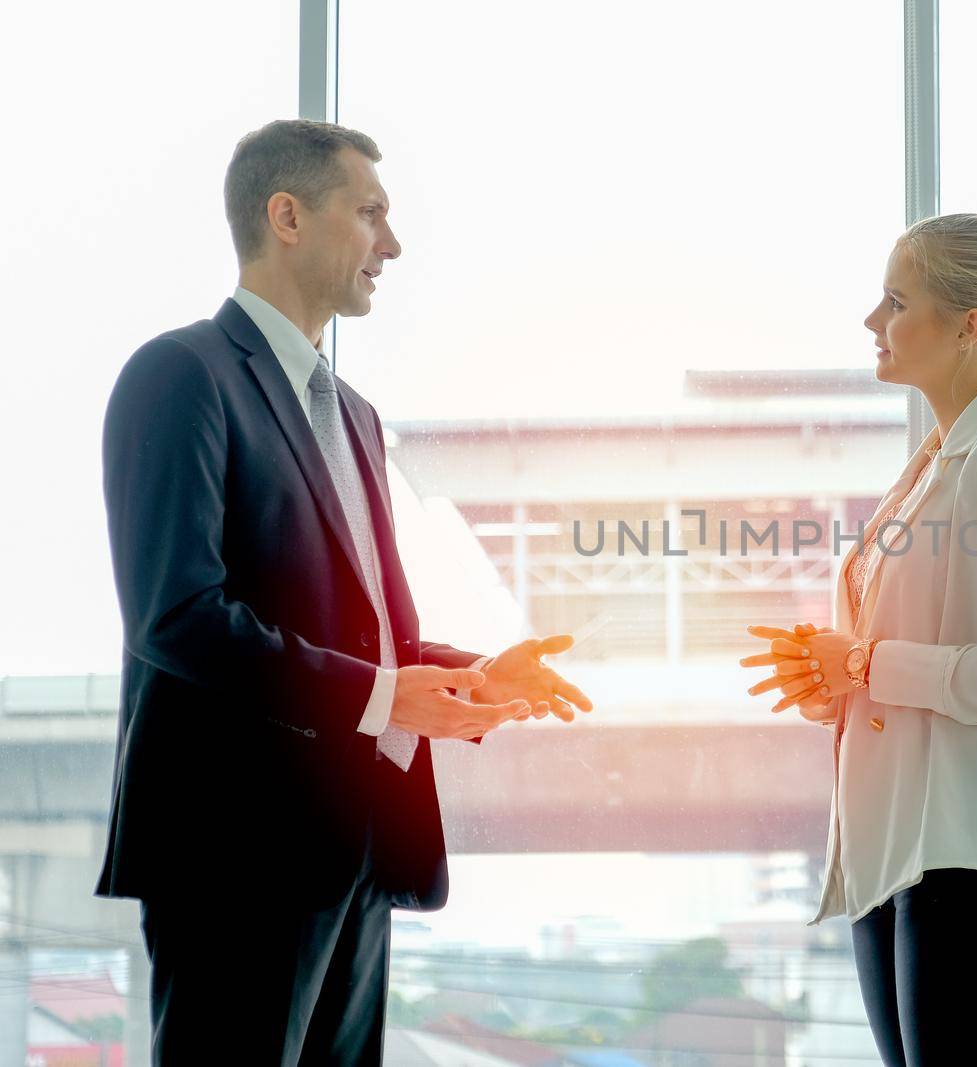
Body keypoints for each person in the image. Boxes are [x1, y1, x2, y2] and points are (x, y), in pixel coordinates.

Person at [98, 118, 592, 1065]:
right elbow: (177, 617)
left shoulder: (354, 414)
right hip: (236, 854)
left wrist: (475, 676)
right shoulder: (181, 375)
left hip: (357, 846)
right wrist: (379, 695)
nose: (392, 246)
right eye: (371, 214)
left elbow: (375, 640)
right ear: (287, 215)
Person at [740, 213, 977, 1065]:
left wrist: (871, 664)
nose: (874, 321)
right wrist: (839, 676)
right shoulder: (945, 455)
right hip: (904, 843)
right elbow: (929, 639)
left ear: (969, 326)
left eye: (895, 301)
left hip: (976, 850)